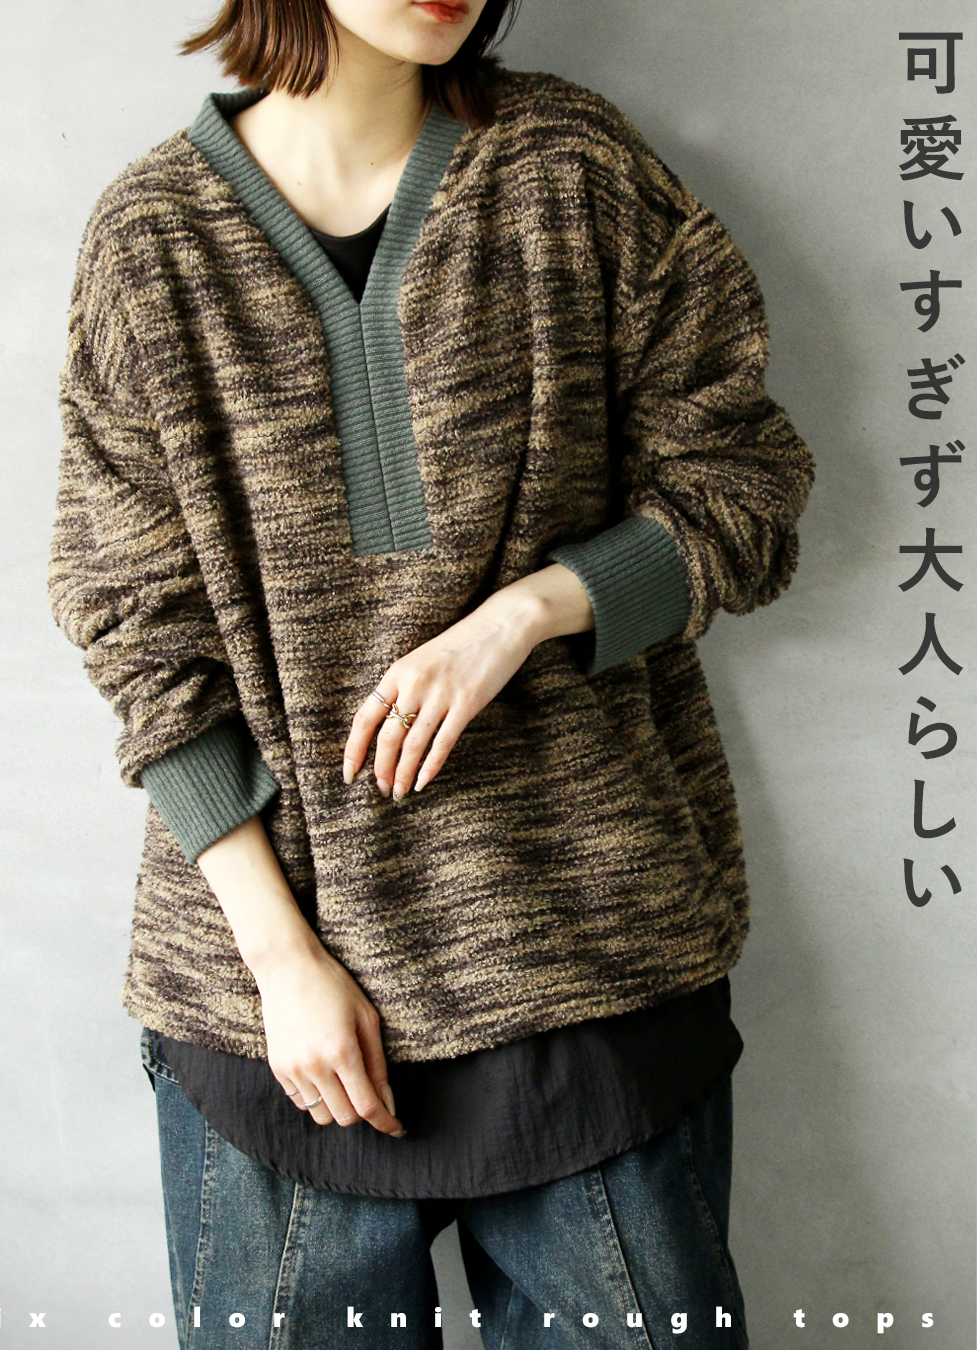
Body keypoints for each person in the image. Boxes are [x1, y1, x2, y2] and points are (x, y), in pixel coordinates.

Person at [49, 1, 813, 1345]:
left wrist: (526, 613)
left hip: (588, 960)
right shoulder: (151, 244)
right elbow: (137, 633)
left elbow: (745, 491)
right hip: (277, 1015)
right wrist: (284, 963)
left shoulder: (574, 170)